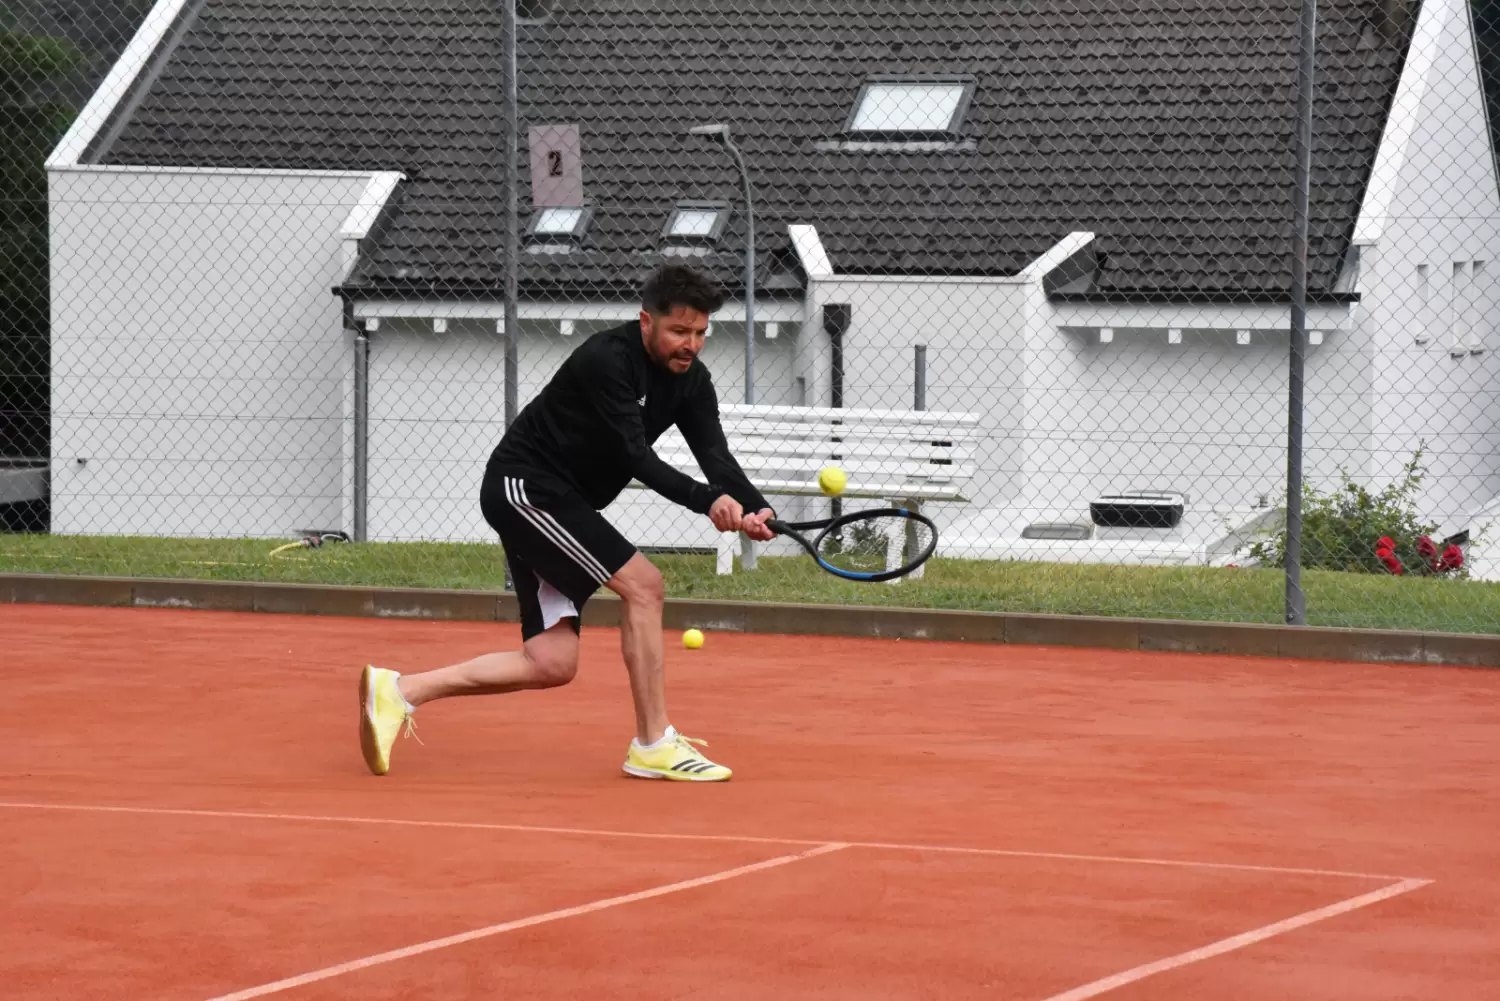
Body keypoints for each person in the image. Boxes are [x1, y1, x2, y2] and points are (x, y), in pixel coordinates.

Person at [357, 264, 774, 782]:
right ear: (646, 321)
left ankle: (398, 692)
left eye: (700, 333)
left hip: (562, 501)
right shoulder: (608, 360)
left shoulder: (692, 381)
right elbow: (635, 456)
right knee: (645, 586)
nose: (691, 344)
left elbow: (716, 456)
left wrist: (755, 507)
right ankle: (653, 743)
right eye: (679, 331)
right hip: (526, 489)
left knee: (551, 662)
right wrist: (708, 501)